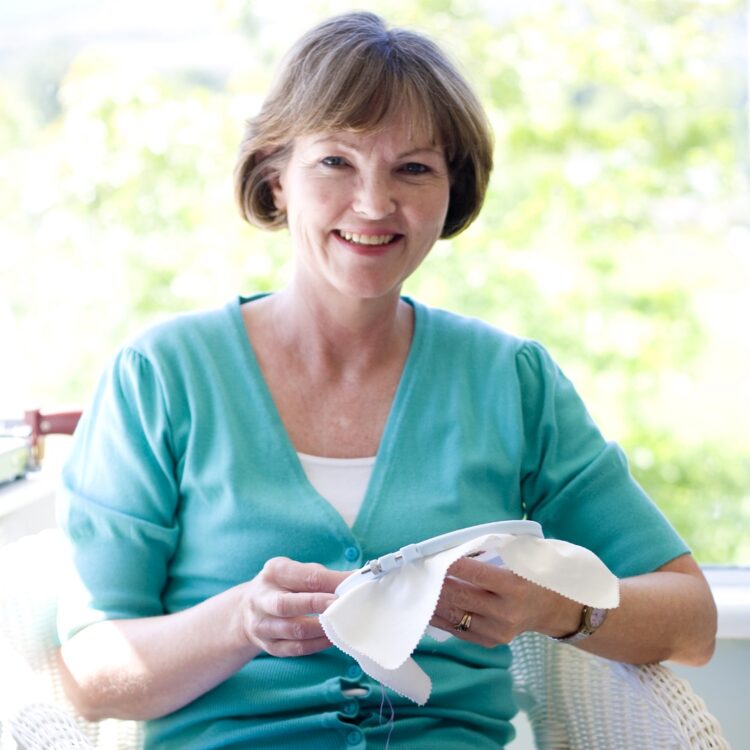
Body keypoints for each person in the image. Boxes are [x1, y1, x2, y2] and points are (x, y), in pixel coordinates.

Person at [56, 11, 717, 750]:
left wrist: (550, 609)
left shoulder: (511, 380)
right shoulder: (162, 377)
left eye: (413, 168)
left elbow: (691, 621)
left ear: (451, 192)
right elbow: (86, 677)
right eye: (336, 162)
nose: (373, 204)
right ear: (276, 181)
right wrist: (240, 622)